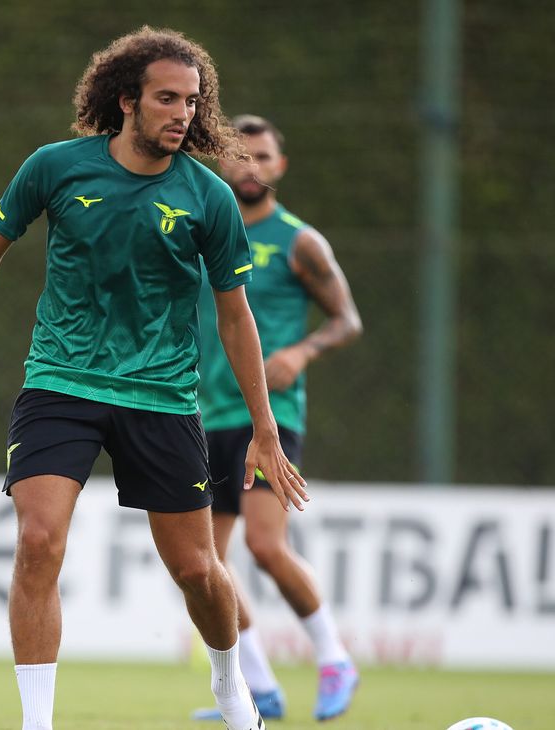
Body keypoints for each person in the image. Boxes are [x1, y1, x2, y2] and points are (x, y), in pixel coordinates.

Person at [0, 27, 309, 730]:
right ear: (127, 101)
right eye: (166, 99)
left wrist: (263, 429)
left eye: (191, 100)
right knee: (37, 541)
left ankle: (229, 681)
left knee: (197, 571)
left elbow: (236, 319)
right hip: (61, 382)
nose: (182, 113)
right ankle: (38, 724)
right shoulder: (56, 168)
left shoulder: (209, 198)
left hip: (161, 397)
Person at [191, 115, 363, 723]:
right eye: (241, 156)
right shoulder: (204, 233)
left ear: (279, 167)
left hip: (269, 416)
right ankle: (256, 686)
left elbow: (348, 319)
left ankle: (334, 656)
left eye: (263, 157)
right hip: (204, 414)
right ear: (222, 163)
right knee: (204, 567)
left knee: (264, 545)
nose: (252, 166)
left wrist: (302, 350)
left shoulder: (299, 242)